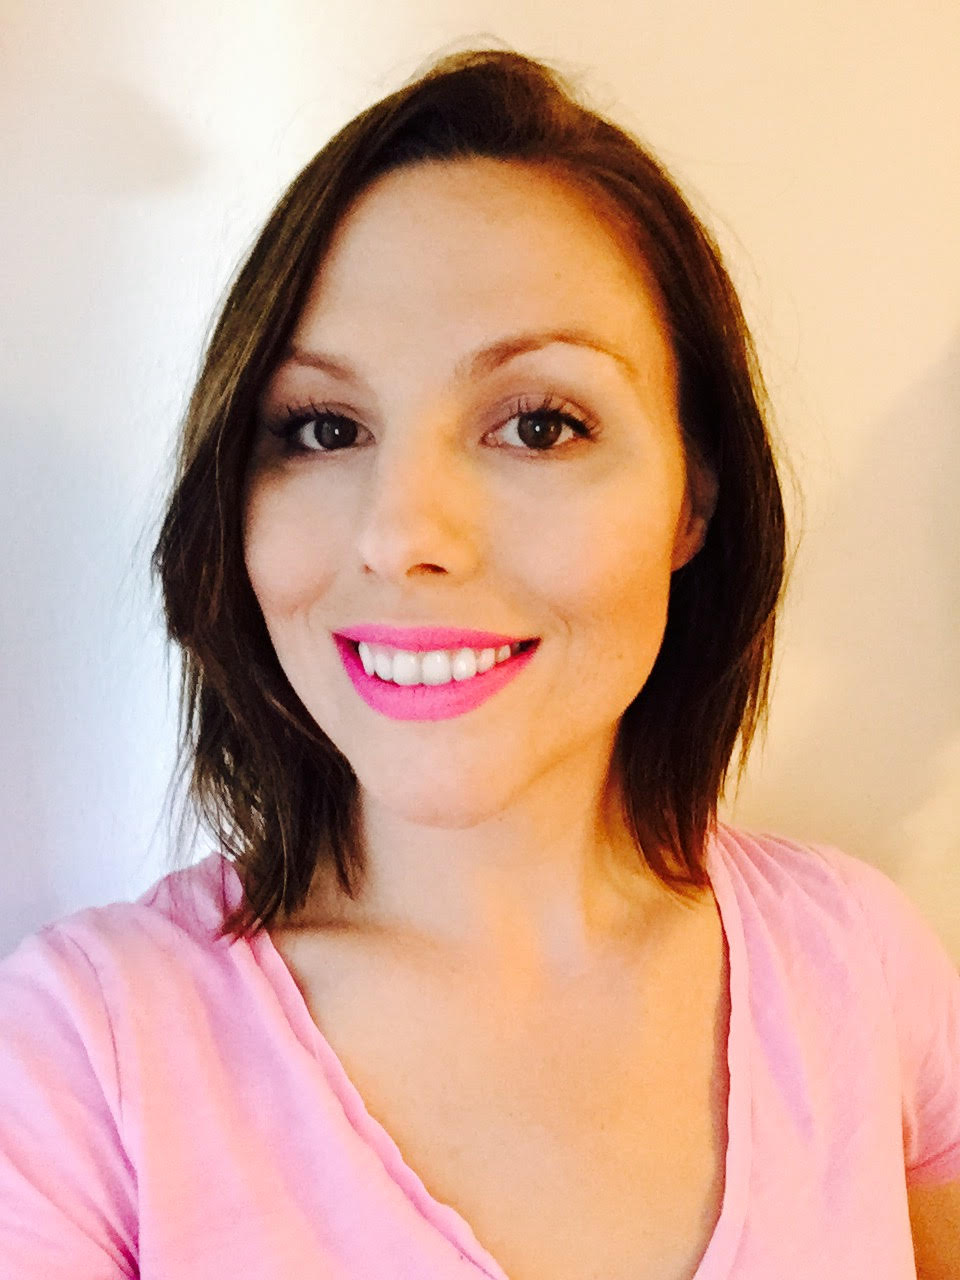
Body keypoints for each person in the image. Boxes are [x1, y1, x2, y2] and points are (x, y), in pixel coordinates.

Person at [1, 46, 957, 1280]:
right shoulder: (79, 1062)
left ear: (694, 496)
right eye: (323, 428)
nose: (403, 532)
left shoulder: (862, 964)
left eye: (540, 424)